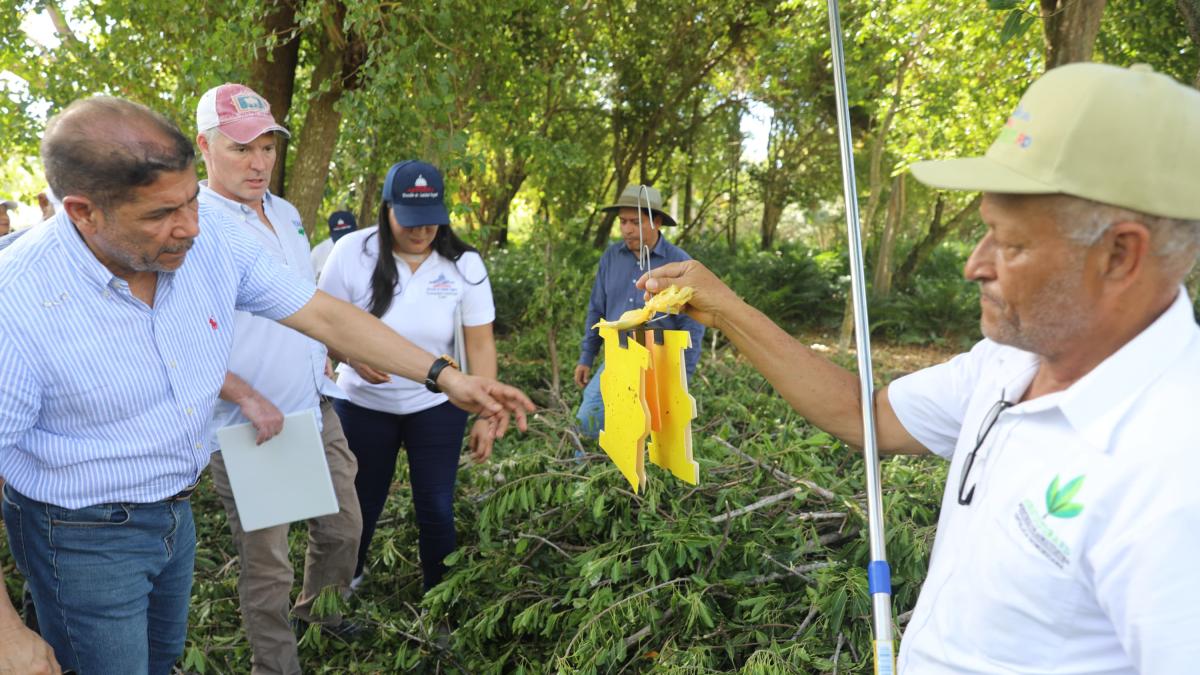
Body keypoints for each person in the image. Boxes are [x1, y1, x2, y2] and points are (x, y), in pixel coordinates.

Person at [637, 63, 1200, 673]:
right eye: (984, 231)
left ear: (1120, 254)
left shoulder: (1174, 473)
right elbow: (865, 414)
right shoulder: (1012, 361)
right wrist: (728, 309)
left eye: (1010, 244)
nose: (974, 265)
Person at [0, 96, 532, 675]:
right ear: (83, 212)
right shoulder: (18, 301)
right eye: (161, 214)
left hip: (174, 513)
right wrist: (6, 635)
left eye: (192, 200)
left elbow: (322, 315)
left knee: (160, 660)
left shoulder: (213, 239)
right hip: (82, 534)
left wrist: (445, 375)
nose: (190, 226)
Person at [195, 82, 363, 674]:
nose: (258, 163)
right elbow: (180, 336)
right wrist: (245, 395)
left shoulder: (286, 213)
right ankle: (277, 666)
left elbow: (301, 302)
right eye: (241, 149)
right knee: (269, 565)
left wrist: (339, 348)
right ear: (204, 147)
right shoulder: (194, 226)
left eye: (267, 147)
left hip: (313, 405)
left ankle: (322, 618)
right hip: (251, 424)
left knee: (344, 529)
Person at [318, 160, 498, 593]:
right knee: (358, 503)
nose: (421, 232)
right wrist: (350, 355)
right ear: (387, 210)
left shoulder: (464, 264)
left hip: (436, 404)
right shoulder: (352, 252)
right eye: (410, 221)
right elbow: (320, 323)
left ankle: (439, 595)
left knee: (435, 505)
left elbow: (480, 344)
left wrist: (487, 413)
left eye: (430, 221)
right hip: (362, 403)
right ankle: (346, 584)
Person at [575, 184, 705, 438]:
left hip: (660, 361)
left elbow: (693, 326)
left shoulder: (679, 263)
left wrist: (682, 378)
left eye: (635, 222)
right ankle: (588, 460)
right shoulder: (611, 257)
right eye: (623, 222)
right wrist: (586, 357)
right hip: (619, 355)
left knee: (652, 433)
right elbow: (596, 308)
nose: (627, 229)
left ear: (657, 222)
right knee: (589, 418)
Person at [311, 210, 356, 281]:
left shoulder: (366, 250)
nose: (343, 243)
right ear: (330, 233)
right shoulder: (318, 251)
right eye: (339, 239)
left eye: (348, 238)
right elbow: (308, 279)